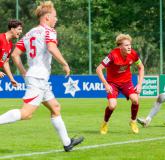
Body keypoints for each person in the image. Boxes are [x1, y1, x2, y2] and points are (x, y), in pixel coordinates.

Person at [0, 1, 83, 152]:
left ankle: (67, 143)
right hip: (38, 78)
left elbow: (15, 54)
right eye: (55, 17)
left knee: (56, 107)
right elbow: (51, 47)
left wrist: (24, 72)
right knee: (25, 113)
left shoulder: (30, 32)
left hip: (38, 78)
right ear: (47, 17)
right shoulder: (49, 31)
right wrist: (65, 64)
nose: (56, 20)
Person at [96, 33, 144, 134]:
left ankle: (133, 121)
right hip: (113, 83)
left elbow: (141, 67)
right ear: (120, 46)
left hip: (126, 82)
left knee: (135, 99)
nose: (129, 47)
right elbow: (99, 69)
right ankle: (105, 123)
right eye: (126, 45)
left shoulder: (133, 54)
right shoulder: (112, 55)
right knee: (112, 105)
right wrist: (106, 84)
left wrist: (139, 84)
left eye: (130, 44)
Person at [0, 19, 23, 86]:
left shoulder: (10, 44)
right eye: (19, 29)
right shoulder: (0, 38)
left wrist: (11, 79)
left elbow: (5, 61)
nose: (21, 31)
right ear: (12, 29)